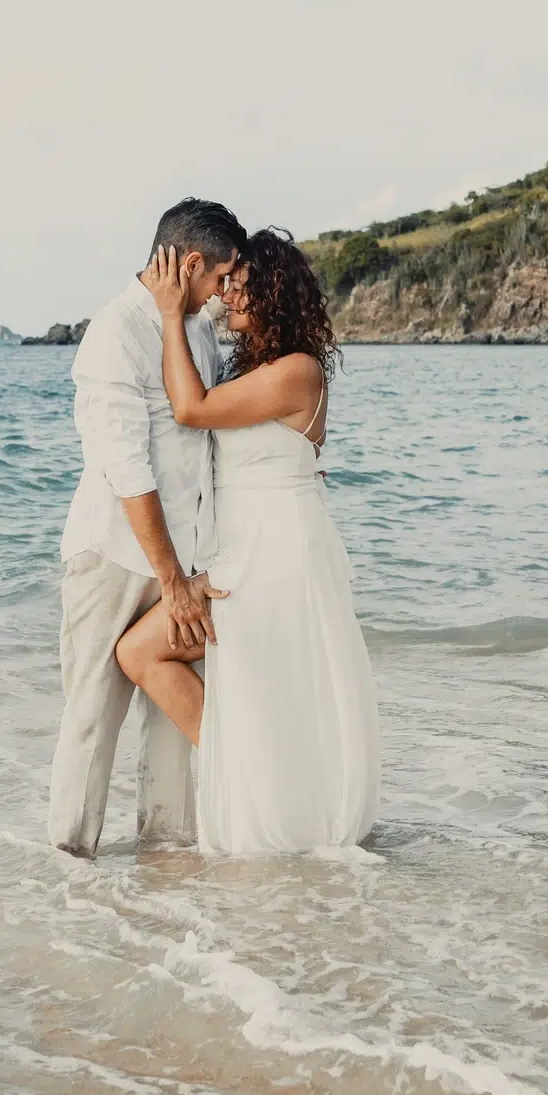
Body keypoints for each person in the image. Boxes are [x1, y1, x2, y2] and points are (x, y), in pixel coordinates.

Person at [116, 229, 380, 853]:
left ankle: (262, 789)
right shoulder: (262, 368)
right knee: (216, 673)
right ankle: (264, 785)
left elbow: (190, 409)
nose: (228, 294)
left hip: (275, 553)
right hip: (250, 548)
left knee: (147, 652)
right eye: (227, 282)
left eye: (241, 285)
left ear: (275, 293)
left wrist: (168, 314)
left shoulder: (297, 371)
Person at [47, 198, 246, 858]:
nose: (222, 292)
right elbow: (127, 471)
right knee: (92, 716)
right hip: (114, 557)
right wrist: (172, 580)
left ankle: (167, 861)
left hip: (186, 559)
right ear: (190, 265)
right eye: (219, 276)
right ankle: (69, 866)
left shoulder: (194, 327)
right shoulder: (115, 333)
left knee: (168, 722)